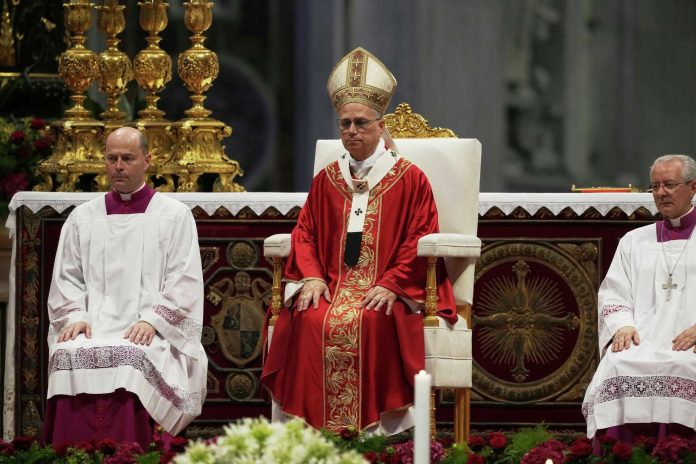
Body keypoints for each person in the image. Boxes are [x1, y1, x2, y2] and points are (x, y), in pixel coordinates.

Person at [261, 47, 457, 434]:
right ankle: (310, 434)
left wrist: (392, 283)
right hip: (332, 286)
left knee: (372, 318)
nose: (351, 130)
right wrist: (312, 276)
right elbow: (305, 233)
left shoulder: (409, 178)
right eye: (345, 123)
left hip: (384, 289)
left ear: (381, 126)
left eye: (361, 123)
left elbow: (420, 236)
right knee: (307, 316)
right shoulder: (327, 179)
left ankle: (375, 435)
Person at [41, 127, 207, 448]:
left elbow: (184, 279)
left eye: (127, 158)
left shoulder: (174, 215)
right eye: (111, 158)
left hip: (148, 328)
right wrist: (75, 316)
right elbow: (67, 277)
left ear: (148, 160)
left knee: (133, 358)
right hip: (92, 326)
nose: (118, 166)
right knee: (64, 353)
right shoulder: (83, 217)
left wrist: (153, 320)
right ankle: (68, 452)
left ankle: (131, 452)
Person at [583, 154, 696, 443]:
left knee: (683, 366)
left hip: (690, 340)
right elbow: (614, 292)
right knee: (617, 365)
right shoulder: (634, 241)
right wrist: (622, 325)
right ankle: (622, 453)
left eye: (669, 184)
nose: (661, 193)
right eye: (655, 186)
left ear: (693, 187)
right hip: (643, 338)